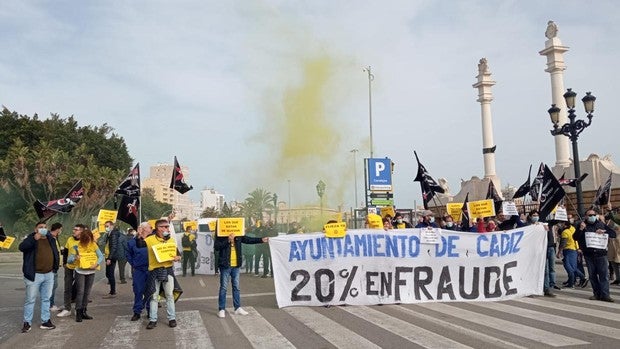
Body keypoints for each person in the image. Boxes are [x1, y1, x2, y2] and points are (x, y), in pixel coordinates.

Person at [214, 230, 268, 318]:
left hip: (236, 265)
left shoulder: (238, 233)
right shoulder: (221, 234)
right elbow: (216, 246)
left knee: (236, 287)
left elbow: (248, 240)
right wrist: (228, 240)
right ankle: (221, 309)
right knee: (223, 287)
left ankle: (237, 308)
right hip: (225, 265)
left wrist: (261, 240)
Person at [19, 222, 59, 332]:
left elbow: (55, 252)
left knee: (46, 299)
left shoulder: (51, 239)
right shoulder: (31, 238)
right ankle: (27, 322)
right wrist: (33, 239)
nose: (43, 229)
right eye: (40, 227)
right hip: (34, 275)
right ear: (35, 229)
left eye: (45, 227)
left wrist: (54, 268)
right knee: (30, 299)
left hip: (49, 274)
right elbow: (22, 247)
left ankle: (45, 321)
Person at [573, 209, 617, 302]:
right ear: (585, 216)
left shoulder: (601, 224)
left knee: (604, 275)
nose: (591, 217)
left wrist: (604, 232)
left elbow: (613, 234)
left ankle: (605, 295)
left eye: (593, 215)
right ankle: (596, 294)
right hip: (589, 255)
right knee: (592, 275)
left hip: (601, 254)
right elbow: (575, 237)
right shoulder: (582, 225)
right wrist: (580, 229)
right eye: (589, 215)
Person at [144, 219, 181, 329]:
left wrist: (177, 258)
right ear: (158, 228)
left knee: (169, 295)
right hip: (154, 271)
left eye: (167, 227)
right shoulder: (149, 240)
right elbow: (138, 243)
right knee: (154, 297)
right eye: (164, 227)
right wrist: (142, 233)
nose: (167, 229)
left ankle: (172, 318)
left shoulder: (171, 240)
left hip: (168, 270)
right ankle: (153, 319)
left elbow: (178, 255)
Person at [66, 228, 104, 322]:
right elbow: (69, 260)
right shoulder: (77, 246)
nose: (88, 242)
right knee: (80, 291)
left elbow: (100, 256)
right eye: (86, 240)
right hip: (80, 271)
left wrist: (97, 263)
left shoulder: (94, 245)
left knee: (87, 292)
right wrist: (75, 257)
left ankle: (84, 311)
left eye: (89, 239)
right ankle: (78, 312)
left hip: (91, 271)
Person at [57, 224, 84, 318]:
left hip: (80, 267)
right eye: (74, 229)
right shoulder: (70, 239)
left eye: (76, 230)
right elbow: (65, 252)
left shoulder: (84, 241)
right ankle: (67, 308)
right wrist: (64, 263)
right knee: (67, 287)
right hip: (69, 266)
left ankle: (78, 309)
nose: (74, 231)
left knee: (79, 289)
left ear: (81, 231)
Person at [127, 222, 151, 321]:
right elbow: (128, 254)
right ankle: (137, 312)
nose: (151, 229)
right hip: (139, 270)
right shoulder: (132, 242)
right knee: (138, 291)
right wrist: (134, 264)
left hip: (151, 270)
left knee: (151, 291)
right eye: (150, 227)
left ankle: (151, 311)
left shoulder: (153, 240)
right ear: (143, 229)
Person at [556, 221, 587, 288]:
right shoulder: (573, 228)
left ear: (564, 225)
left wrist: (559, 252)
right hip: (574, 249)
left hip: (568, 250)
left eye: (562, 224)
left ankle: (579, 279)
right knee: (573, 267)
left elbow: (563, 243)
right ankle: (573, 281)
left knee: (569, 267)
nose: (560, 225)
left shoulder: (565, 232)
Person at [103, 221, 121, 298]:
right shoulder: (109, 234)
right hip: (108, 256)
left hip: (111, 257)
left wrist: (109, 258)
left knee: (110, 274)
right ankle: (112, 291)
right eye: (105, 226)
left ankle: (112, 292)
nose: (106, 228)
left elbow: (113, 246)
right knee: (108, 273)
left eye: (107, 226)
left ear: (112, 226)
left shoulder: (113, 234)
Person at [48, 222, 62, 312]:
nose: (61, 231)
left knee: (53, 286)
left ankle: (50, 303)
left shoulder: (55, 238)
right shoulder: (50, 238)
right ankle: (50, 304)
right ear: (57, 229)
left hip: (55, 266)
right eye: (61, 229)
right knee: (52, 286)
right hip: (52, 267)